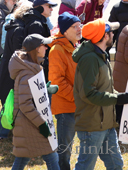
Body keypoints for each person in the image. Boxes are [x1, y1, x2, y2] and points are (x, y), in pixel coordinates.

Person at [72, 19, 128, 170]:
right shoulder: (90, 59)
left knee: (116, 165)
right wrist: (116, 98)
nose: (113, 35)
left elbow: (104, 88)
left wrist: (120, 96)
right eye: (111, 32)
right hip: (92, 126)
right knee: (85, 166)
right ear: (104, 36)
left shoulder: (100, 55)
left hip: (106, 123)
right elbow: (88, 94)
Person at [10, 35, 59, 170]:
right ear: (37, 49)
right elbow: (25, 104)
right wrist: (42, 124)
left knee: (23, 158)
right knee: (51, 156)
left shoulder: (31, 68)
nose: (46, 48)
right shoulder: (28, 73)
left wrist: (44, 90)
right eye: (44, 46)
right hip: (30, 125)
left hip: (29, 123)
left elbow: (30, 94)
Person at [49, 13, 82, 170]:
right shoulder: (57, 49)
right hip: (65, 107)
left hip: (75, 105)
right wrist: (78, 97)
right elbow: (57, 82)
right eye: (75, 27)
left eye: (80, 25)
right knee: (64, 150)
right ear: (65, 31)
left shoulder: (74, 46)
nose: (79, 29)